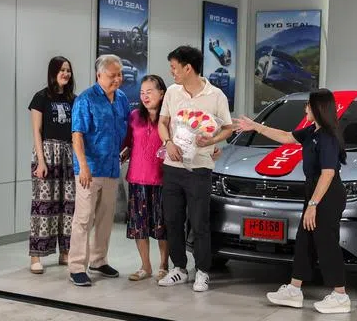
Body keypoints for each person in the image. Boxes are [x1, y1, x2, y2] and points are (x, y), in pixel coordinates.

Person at [236, 89, 351, 313]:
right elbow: (286, 137)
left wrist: (313, 205)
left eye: (308, 105)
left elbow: (328, 174)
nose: (305, 108)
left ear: (318, 108)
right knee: (304, 241)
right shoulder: (312, 131)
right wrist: (256, 126)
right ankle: (294, 290)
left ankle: (340, 295)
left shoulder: (327, 136)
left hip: (326, 195)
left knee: (326, 243)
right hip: (314, 191)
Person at [157, 45, 233, 293]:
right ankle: (179, 268)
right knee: (173, 220)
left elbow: (228, 128)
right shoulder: (172, 92)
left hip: (200, 168)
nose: (172, 72)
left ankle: (202, 271)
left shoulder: (216, 96)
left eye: (174, 68)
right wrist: (168, 143)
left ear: (188, 68)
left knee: (199, 222)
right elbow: (163, 122)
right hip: (172, 167)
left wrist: (211, 140)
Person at [67, 54, 130, 287]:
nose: (118, 79)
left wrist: (126, 150)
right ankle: (76, 267)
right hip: (90, 170)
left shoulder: (122, 98)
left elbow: (125, 128)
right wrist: (83, 166)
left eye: (120, 74)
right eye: (113, 75)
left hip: (112, 168)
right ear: (99, 75)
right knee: (84, 219)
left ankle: (99, 260)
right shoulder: (86, 99)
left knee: (105, 218)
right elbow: (77, 135)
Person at [28, 56, 76, 274]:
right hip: (47, 152)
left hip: (68, 153)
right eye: (61, 70)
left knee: (68, 206)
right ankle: (35, 255)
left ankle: (65, 252)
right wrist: (41, 161)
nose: (65, 74)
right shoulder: (41, 97)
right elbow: (37, 131)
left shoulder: (73, 99)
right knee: (44, 205)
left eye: (68, 70)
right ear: (53, 72)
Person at [121, 75, 169, 281]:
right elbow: (128, 142)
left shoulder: (169, 118)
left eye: (149, 91)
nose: (145, 96)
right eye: (142, 92)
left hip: (162, 179)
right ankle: (145, 266)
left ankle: (164, 266)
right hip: (137, 178)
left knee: (162, 225)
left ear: (162, 93)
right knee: (139, 225)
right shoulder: (134, 116)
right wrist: (124, 152)